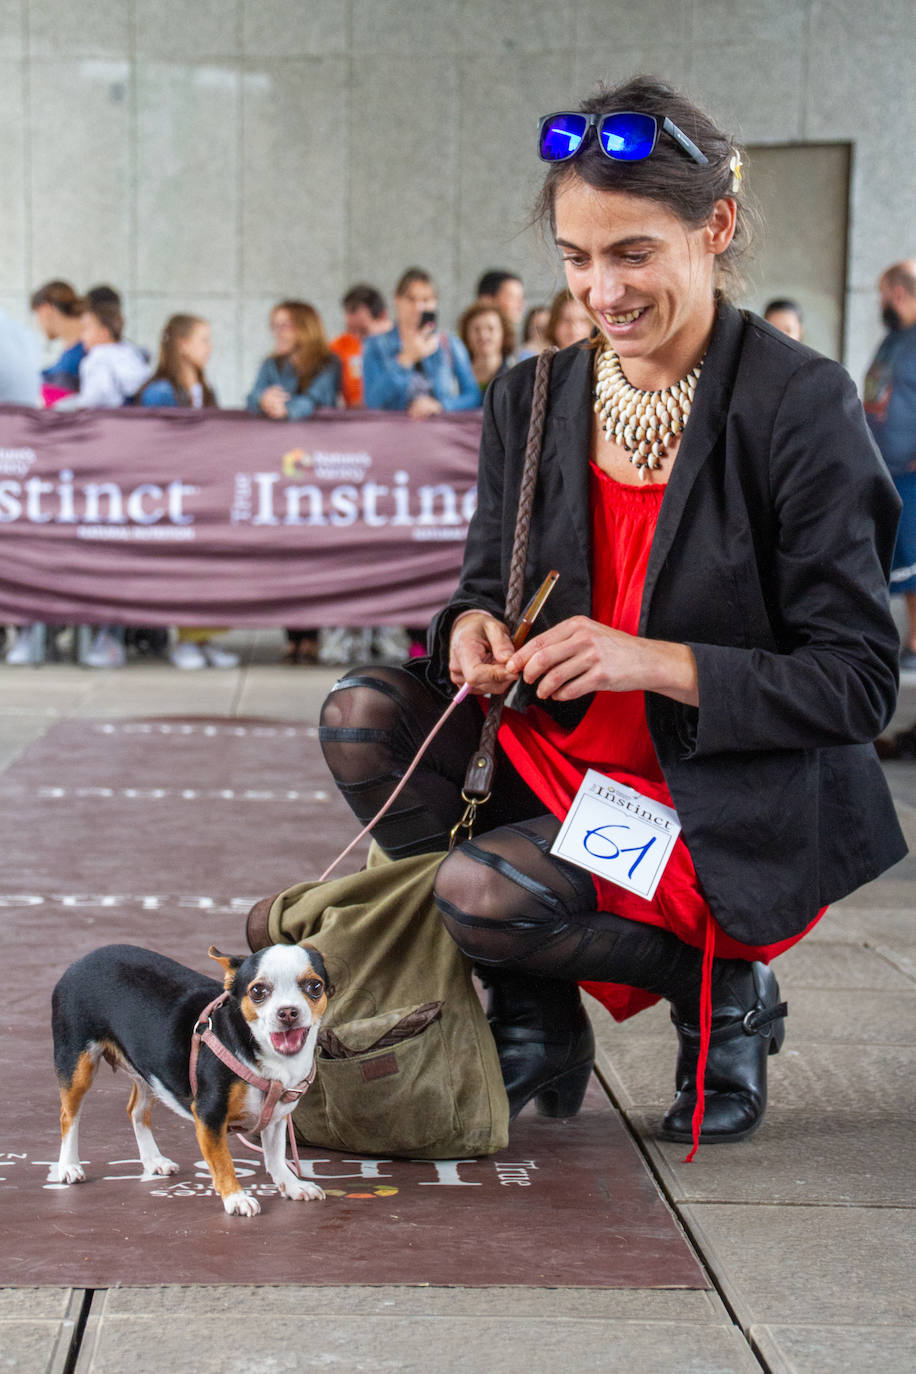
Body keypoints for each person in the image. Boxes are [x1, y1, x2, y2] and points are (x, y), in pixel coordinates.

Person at [318, 75, 905, 1153]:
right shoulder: (532, 395)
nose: (602, 290)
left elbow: (859, 683)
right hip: (560, 764)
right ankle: (537, 1019)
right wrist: (469, 633)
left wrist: (652, 661)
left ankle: (726, 991)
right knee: (362, 713)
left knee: (478, 892)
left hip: (703, 796)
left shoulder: (798, 405)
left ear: (713, 227)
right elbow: (479, 586)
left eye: (632, 252)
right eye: (577, 257)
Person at [136, 315, 238, 671]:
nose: (209, 348)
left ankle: (203, 638)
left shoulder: (205, 390)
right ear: (181, 343)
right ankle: (184, 639)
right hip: (172, 496)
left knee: (211, 566)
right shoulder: (161, 391)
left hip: (203, 494)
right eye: (203, 340)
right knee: (184, 569)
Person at [247, 301, 341, 664]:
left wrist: (286, 408)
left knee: (314, 549)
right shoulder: (271, 365)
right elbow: (252, 396)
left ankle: (312, 633)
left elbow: (316, 401)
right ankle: (291, 633)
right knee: (285, 548)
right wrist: (264, 401)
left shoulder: (327, 363)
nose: (279, 332)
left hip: (317, 464)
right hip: (280, 468)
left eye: (285, 324)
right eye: (275, 325)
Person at [864, 261, 916, 670]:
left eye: (882, 293)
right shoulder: (893, 339)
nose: (879, 302)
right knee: (896, 561)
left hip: (912, 474)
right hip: (886, 472)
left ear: (898, 293)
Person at [363, 268, 480, 417]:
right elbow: (373, 402)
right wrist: (405, 359)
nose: (418, 307)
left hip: (438, 434)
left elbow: (473, 395)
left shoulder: (448, 343)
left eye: (426, 300)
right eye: (411, 299)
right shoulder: (375, 345)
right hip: (391, 433)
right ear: (397, 300)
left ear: (435, 303)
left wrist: (441, 405)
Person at [330, 283, 391, 408]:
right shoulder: (341, 344)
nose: (348, 318)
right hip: (354, 417)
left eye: (363, 332)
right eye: (352, 331)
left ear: (382, 317)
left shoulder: (395, 344)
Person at [30, 280, 85, 400]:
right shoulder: (73, 348)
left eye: (38, 315)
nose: (39, 323)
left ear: (46, 309)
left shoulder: (85, 348)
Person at [458, 300, 514, 391]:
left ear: (504, 333)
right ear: (466, 334)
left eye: (491, 328)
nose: (483, 336)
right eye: (476, 329)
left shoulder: (514, 377)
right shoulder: (454, 378)